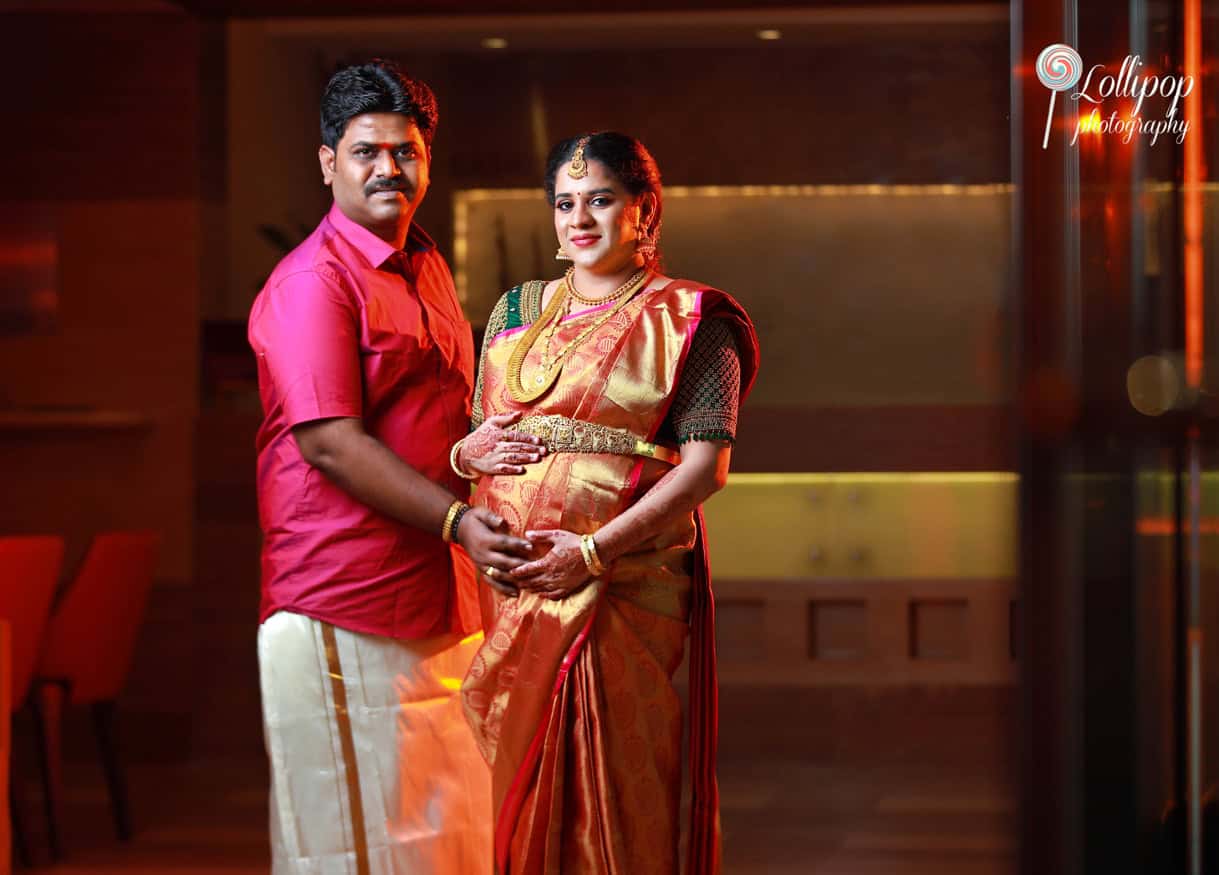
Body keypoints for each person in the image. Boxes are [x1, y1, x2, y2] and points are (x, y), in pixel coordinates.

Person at [247, 60, 544, 874]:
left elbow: (429, 416)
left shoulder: (424, 263)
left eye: (404, 152)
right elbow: (329, 441)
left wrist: (480, 453)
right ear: (327, 163)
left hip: (437, 594)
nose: (388, 168)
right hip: (344, 597)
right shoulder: (313, 281)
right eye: (365, 151)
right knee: (354, 849)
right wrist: (456, 518)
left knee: (445, 839)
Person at [458, 132, 760, 875]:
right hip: (505, 592)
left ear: (643, 211)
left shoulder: (692, 320)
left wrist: (590, 553)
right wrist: (462, 458)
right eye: (565, 202)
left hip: (617, 591)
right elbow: (473, 436)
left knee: (611, 799)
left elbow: (704, 471)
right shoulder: (513, 310)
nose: (578, 218)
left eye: (599, 200)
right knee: (501, 790)